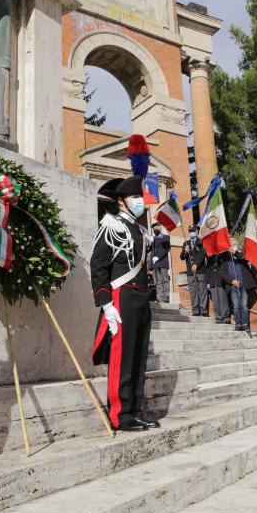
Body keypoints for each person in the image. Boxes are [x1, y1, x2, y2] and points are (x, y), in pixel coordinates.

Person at [90, 176, 159, 432]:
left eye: (140, 197)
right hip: (122, 297)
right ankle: (120, 414)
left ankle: (135, 409)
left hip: (141, 297)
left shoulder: (140, 230)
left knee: (138, 356)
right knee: (122, 356)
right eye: (134, 198)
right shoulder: (112, 225)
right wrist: (106, 305)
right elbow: (98, 267)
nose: (140, 202)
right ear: (121, 201)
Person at [220, 237, 256, 331]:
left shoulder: (242, 255)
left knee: (244, 305)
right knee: (236, 306)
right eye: (232, 245)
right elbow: (222, 273)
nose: (233, 246)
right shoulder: (226, 258)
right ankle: (238, 323)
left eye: (235, 244)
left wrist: (235, 252)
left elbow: (244, 258)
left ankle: (245, 323)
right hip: (233, 286)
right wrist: (231, 281)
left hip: (243, 285)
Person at [180, 224, 208, 316]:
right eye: (190, 231)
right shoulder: (186, 243)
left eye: (193, 230)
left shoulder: (202, 242)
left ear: (197, 231)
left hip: (200, 270)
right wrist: (185, 251)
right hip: (190, 272)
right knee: (193, 291)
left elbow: (203, 253)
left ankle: (204, 310)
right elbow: (182, 257)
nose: (191, 232)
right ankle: (195, 310)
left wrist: (196, 264)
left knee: (202, 290)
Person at [206, 252, 231, 324]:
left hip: (221, 281)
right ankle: (218, 318)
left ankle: (226, 318)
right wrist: (208, 282)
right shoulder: (210, 257)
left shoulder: (224, 255)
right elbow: (208, 270)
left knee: (223, 300)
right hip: (212, 282)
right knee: (215, 301)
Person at [150, 222, 170, 303]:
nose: (155, 229)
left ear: (160, 227)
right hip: (155, 264)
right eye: (154, 228)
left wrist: (158, 257)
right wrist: (149, 242)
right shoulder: (153, 239)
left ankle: (165, 298)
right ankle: (159, 298)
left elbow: (166, 249)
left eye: (156, 227)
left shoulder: (165, 237)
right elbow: (150, 251)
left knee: (165, 280)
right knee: (158, 282)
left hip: (162, 262)